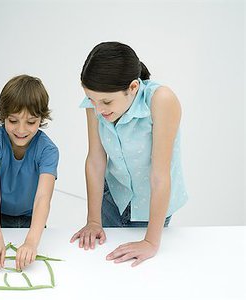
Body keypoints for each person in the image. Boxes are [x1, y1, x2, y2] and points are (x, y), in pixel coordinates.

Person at [70, 42, 188, 266]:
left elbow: (160, 174)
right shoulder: (96, 103)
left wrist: (151, 242)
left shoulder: (161, 100)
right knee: (102, 266)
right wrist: (93, 220)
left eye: (105, 102)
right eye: (92, 100)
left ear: (133, 87)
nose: (98, 109)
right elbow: (96, 160)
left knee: (142, 274)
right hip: (113, 198)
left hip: (150, 204)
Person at [0, 75, 59, 271]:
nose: (21, 130)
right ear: (3, 116)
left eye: (31, 122)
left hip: (30, 219)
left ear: (41, 119)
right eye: (13, 121)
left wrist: (32, 242)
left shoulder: (48, 150)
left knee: (30, 267)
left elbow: (43, 197)